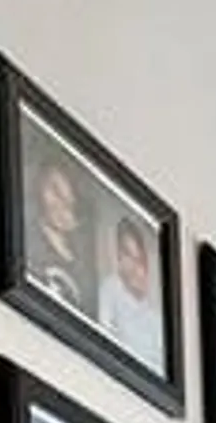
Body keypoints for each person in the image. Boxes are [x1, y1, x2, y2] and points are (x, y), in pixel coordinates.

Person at [22, 147, 89, 314]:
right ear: (38, 187)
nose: (61, 203)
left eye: (67, 196)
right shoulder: (30, 243)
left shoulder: (83, 259)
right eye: (54, 189)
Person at [98, 217, 166, 372]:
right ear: (119, 257)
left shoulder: (154, 316)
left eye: (139, 259)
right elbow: (105, 336)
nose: (135, 266)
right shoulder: (111, 287)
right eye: (127, 255)